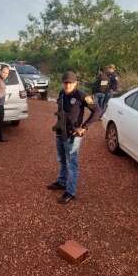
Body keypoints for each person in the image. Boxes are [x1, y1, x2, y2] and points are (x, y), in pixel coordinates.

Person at [46, 71, 101, 204]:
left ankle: (70, 191)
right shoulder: (61, 93)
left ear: (75, 83)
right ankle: (62, 182)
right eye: (65, 82)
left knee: (72, 164)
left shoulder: (82, 95)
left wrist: (84, 127)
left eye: (70, 82)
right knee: (62, 159)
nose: (67, 85)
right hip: (60, 132)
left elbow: (97, 111)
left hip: (73, 135)